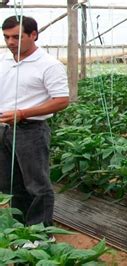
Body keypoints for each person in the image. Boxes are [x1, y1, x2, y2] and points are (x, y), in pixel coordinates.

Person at [0, 15, 69, 227]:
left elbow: (61, 100)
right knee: (9, 184)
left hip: (30, 131)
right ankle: (21, 231)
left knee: (37, 185)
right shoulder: (4, 60)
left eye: (16, 37)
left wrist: (22, 113)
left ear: (33, 35)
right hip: (3, 130)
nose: (10, 42)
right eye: (6, 37)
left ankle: (40, 233)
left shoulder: (48, 65)